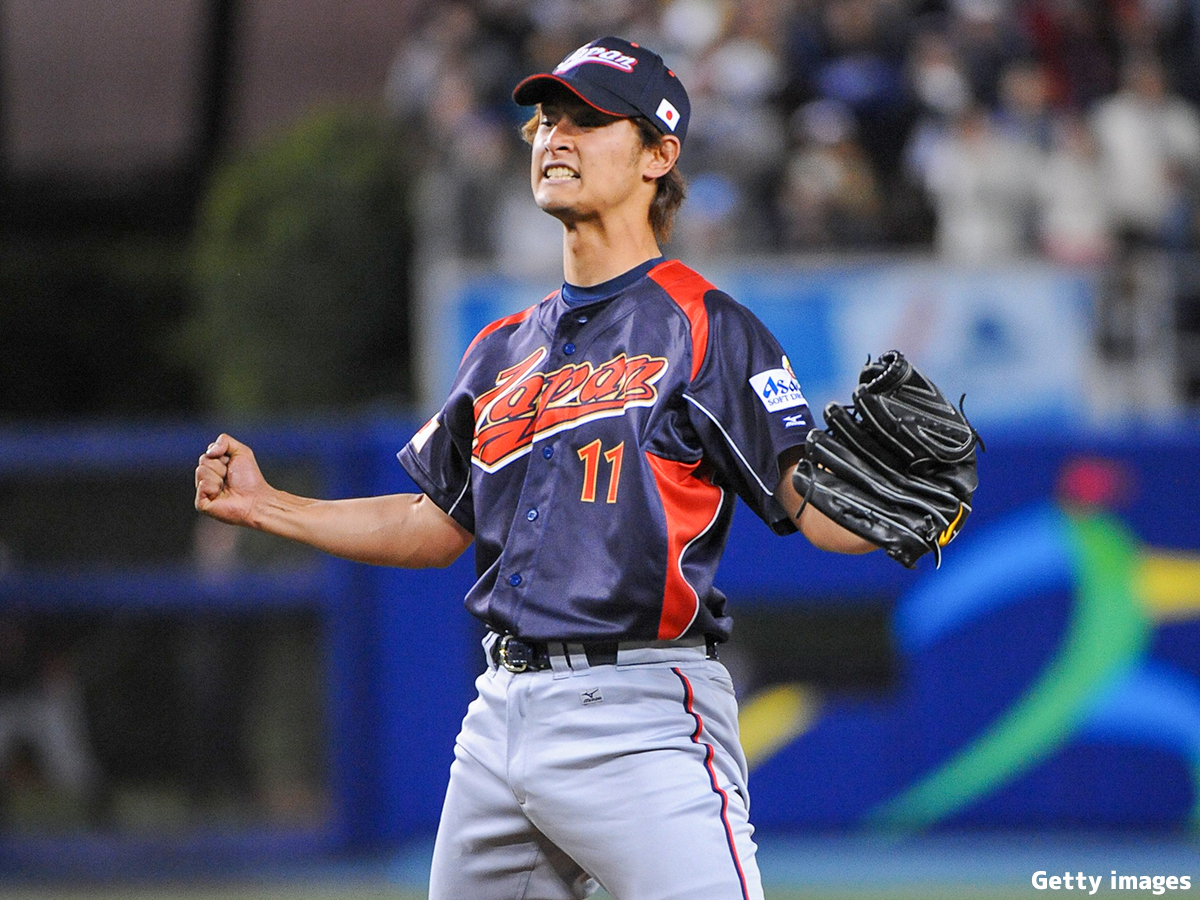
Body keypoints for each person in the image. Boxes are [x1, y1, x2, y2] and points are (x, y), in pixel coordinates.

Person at [195, 36, 876, 900]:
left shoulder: (707, 327)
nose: (556, 134)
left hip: (639, 716)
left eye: (589, 119)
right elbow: (431, 524)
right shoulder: (499, 349)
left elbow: (808, 506)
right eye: (547, 117)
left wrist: (898, 510)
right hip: (498, 717)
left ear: (659, 154)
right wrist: (268, 507)